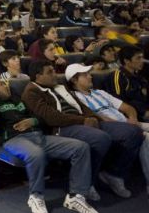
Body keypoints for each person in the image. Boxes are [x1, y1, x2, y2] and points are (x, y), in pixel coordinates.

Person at [0, 77, 98, 213]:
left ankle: (76, 196)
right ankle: (36, 196)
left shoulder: (17, 99)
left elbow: (40, 117)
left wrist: (32, 121)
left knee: (80, 147)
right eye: (2, 84)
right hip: (14, 140)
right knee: (36, 154)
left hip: (39, 137)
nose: (7, 86)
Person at [22, 60, 142, 201]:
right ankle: (88, 182)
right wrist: (83, 120)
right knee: (100, 138)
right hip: (61, 127)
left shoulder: (60, 86)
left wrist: (93, 118)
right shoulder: (31, 91)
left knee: (133, 132)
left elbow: (81, 106)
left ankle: (114, 174)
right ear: (38, 76)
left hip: (82, 121)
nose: (55, 74)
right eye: (50, 72)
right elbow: (51, 118)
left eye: (54, 70)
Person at [67, 63, 148, 197]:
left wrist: (133, 119)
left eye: (89, 74)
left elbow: (127, 108)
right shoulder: (75, 97)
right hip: (108, 126)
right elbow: (97, 117)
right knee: (145, 137)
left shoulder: (100, 92)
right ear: (74, 80)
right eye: (85, 75)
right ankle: (116, 175)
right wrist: (127, 125)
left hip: (128, 123)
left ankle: (115, 174)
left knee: (138, 132)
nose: (90, 77)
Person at [108, 45, 149, 121]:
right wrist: (143, 112)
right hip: (136, 116)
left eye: (142, 57)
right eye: (138, 58)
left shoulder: (138, 76)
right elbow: (119, 101)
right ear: (126, 61)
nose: (142, 61)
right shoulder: (117, 76)